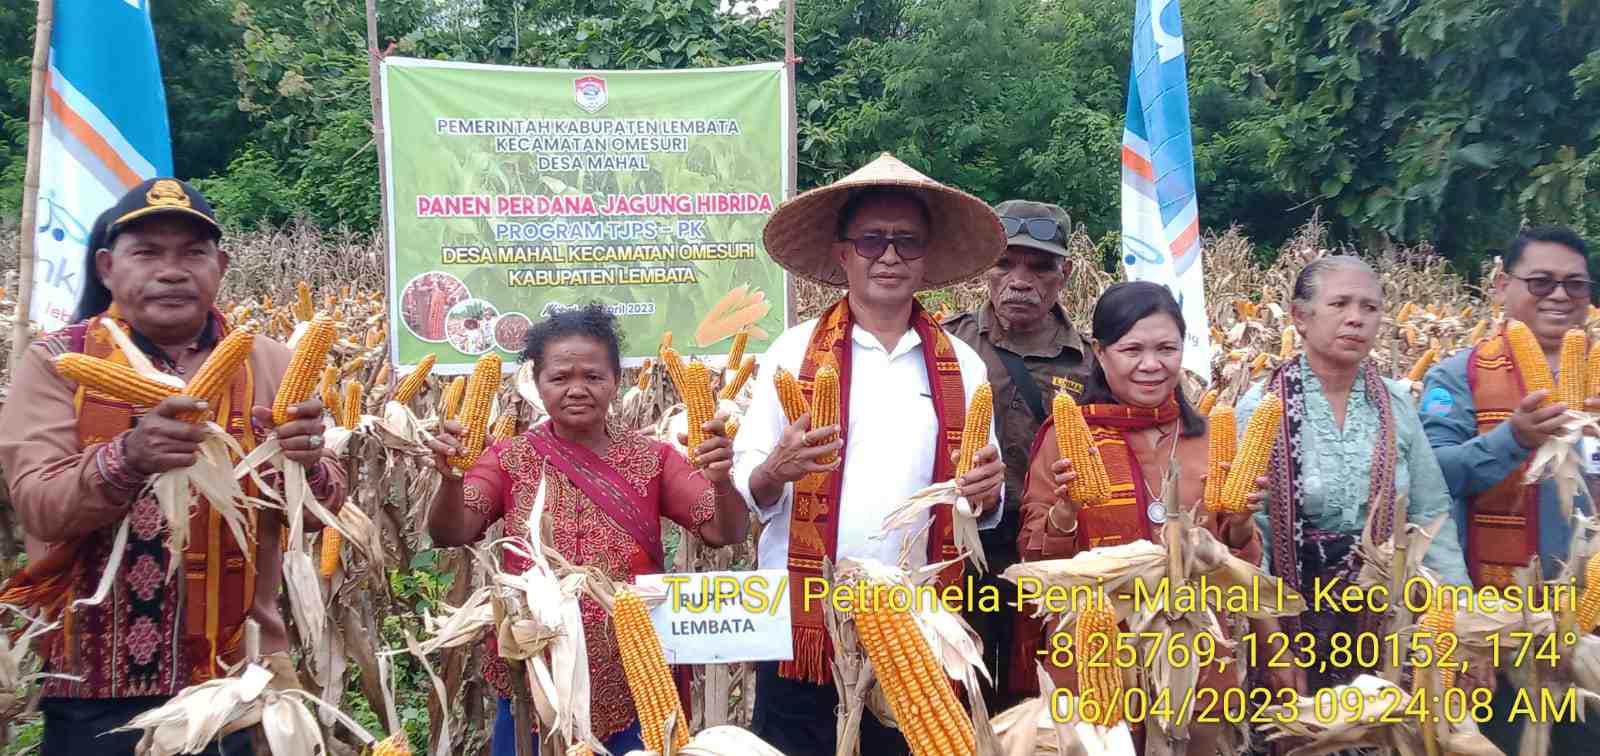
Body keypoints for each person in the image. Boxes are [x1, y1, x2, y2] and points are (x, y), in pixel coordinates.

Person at [0, 178, 345, 755]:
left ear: (222, 265)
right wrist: (127, 459)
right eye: (148, 253)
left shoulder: (273, 361)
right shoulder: (58, 363)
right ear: (108, 267)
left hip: (240, 676)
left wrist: (306, 465)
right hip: (98, 692)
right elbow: (39, 505)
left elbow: (322, 512)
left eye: (192, 253)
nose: (172, 270)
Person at [732, 153, 1007, 756]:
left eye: (907, 243)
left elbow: (982, 495)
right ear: (842, 254)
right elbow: (746, 482)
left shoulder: (961, 363)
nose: (889, 256)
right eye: (872, 240)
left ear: (927, 257)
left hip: (918, 618)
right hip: (805, 618)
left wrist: (988, 494)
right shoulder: (793, 353)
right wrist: (775, 470)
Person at [425, 303, 751, 756]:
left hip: (633, 671)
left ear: (616, 381)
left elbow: (724, 530)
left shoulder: (652, 459)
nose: (577, 389)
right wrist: (450, 478)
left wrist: (721, 482)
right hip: (535, 674)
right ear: (537, 384)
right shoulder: (509, 458)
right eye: (560, 377)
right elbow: (452, 532)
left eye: (593, 377)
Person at [1015, 281, 1259, 755]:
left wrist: (1243, 522)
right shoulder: (1067, 437)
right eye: (1133, 349)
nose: (1152, 365)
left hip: (1197, 653)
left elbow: (1238, 563)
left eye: (1167, 348)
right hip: (1097, 656)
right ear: (1101, 354)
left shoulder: (1209, 438)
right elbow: (1032, 558)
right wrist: (1065, 513)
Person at [1235, 256, 1469, 702]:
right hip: (1288, 619)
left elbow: (1430, 513)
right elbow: (1249, 534)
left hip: (1382, 621)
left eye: (1370, 307)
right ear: (1300, 317)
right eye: (1339, 303)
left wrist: (1456, 615)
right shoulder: (1260, 407)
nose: (1356, 318)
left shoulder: (1396, 404)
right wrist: (1271, 641)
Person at [1419, 225, 1600, 751]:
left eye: (1576, 284)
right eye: (1540, 282)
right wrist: (1511, 439)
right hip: (1502, 630)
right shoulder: (1460, 377)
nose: (1560, 296)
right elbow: (1432, 476)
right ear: (1502, 285)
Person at [942, 199, 1093, 709]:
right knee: (962, 689)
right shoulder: (946, 344)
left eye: (1040, 265)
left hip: (1049, 555)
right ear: (987, 267)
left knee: (1036, 692)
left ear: (1064, 273)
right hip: (962, 554)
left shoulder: (1090, 366)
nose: (1020, 279)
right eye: (1005, 262)